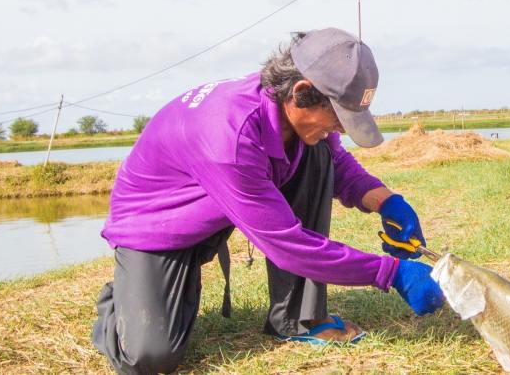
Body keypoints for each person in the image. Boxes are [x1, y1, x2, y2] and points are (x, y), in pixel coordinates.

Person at [92, 28, 444, 375]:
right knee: (149, 357)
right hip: (156, 227)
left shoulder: (288, 109)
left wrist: (386, 202)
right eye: (338, 117)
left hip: (216, 209)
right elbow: (287, 245)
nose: (340, 129)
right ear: (302, 92)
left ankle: (297, 318)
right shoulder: (230, 136)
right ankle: (126, 292)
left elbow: (336, 163)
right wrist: (391, 273)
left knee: (318, 151)